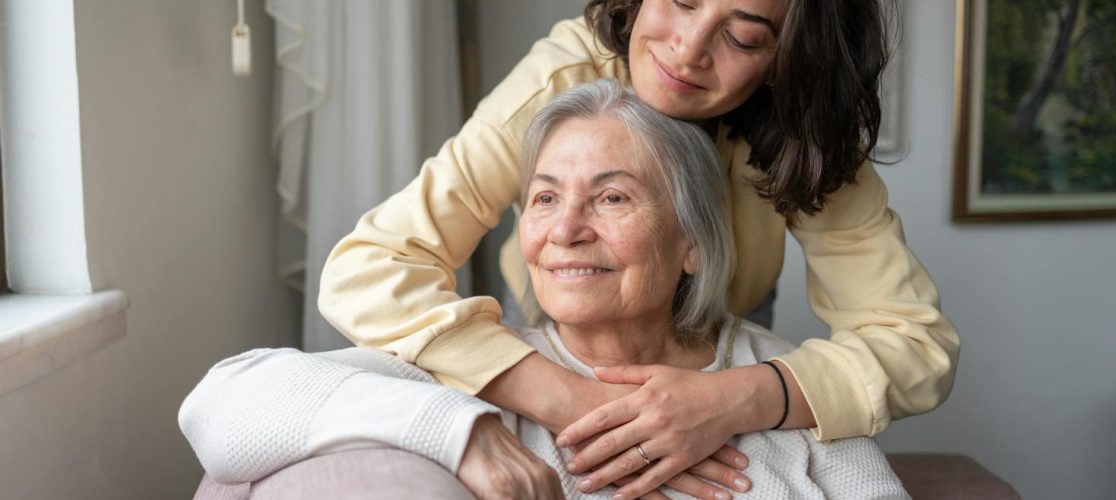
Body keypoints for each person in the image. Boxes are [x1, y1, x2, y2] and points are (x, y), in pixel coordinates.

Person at [318, 0, 959, 498]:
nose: (687, 49)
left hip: (729, 339)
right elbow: (369, 269)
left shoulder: (807, 134)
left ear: (790, 58)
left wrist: (732, 398)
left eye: (742, 36)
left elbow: (915, 344)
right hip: (552, 342)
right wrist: (567, 397)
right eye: (680, 0)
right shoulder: (560, 79)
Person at [180, 80, 910, 499]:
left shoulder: (781, 389)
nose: (565, 231)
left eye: (613, 198)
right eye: (543, 198)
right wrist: (459, 432)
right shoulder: (476, 371)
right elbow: (220, 402)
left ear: (692, 241)